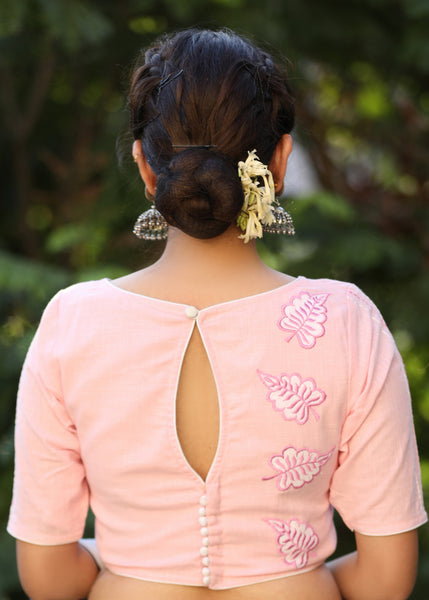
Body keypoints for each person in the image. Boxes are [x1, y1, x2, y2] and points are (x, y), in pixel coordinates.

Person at [7, 28, 427, 600]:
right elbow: (385, 580)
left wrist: (130, 563)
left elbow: (49, 579)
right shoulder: (347, 321)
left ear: (146, 169)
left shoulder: (73, 323)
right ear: (278, 162)